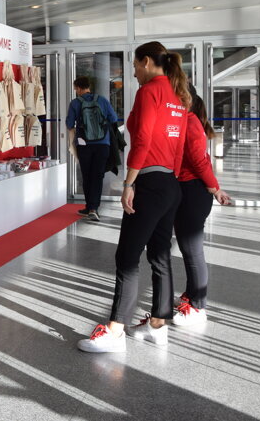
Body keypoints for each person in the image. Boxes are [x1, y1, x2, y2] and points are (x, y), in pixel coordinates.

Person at [78, 41, 190, 353]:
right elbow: (179, 145)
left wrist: (130, 182)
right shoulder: (179, 95)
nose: (135, 73)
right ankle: (157, 325)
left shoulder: (149, 91)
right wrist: (170, 179)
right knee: (159, 255)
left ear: (147, 62)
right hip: (169, 183)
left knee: (127, 256)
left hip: (150, 182)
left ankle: (115, 331)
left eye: (136, 66)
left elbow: (142, 139)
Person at [173, 84, 231, 326]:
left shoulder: (190, 122)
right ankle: (191, 296)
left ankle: (198, 307)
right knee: (189, 250)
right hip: (188, 190)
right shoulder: (186, 120)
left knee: (192, 250)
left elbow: (199, 161)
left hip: (193, 191)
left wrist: (215, 188)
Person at [66, 75, 118, 222]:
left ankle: (89, 207)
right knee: (97, 176)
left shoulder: (75, 103)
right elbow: (114, 118)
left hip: (84, 145)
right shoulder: (102, 100)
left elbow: (69, 124)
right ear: (88, 87)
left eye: (76, 88)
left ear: (78, 88)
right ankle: (93, 209)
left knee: (87, 175)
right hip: (103, 144)